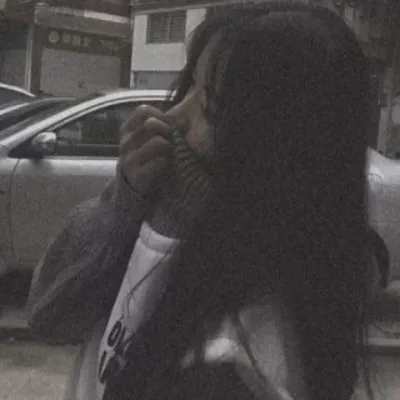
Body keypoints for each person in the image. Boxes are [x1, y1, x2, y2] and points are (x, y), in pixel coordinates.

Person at [27, 2, 373, 400]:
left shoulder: (232, 366)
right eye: (189, 84)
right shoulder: (165, 212)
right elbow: (48, 314)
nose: (174, 114)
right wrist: (126, 200)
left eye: (208, 105)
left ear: (275, 151)